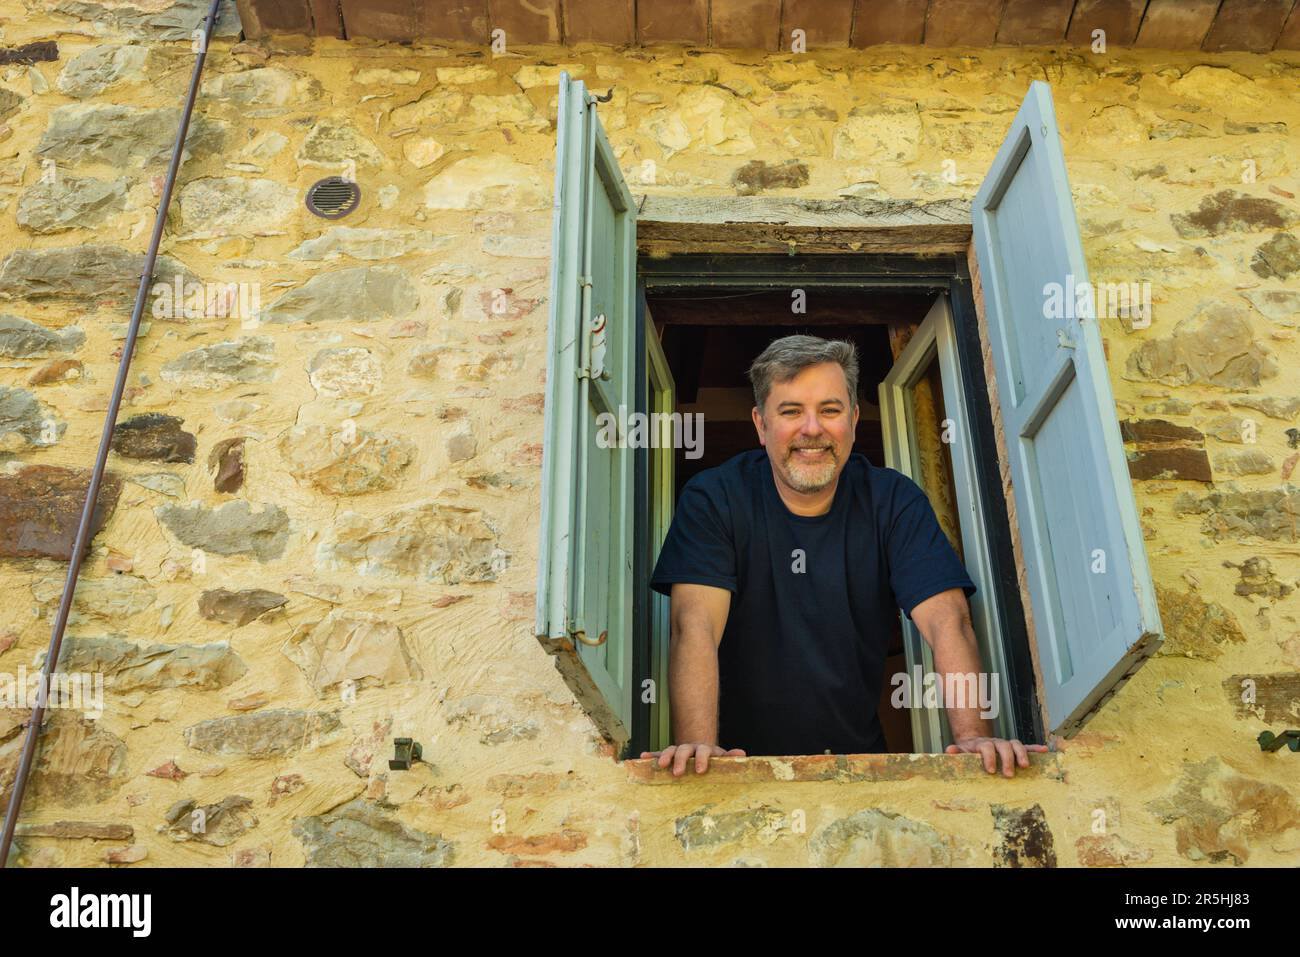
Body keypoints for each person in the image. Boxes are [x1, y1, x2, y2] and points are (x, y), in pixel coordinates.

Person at [643, 334, 1048, 777]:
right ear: (761, 425)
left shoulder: (892, 500)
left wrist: (973, 737)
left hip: (857, 761)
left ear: (854, 419)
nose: (812, 429)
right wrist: (700, 748)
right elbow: (694, 626)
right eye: (791, 411)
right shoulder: (714, 498)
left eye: (830, 410)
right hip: (740, 764)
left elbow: (946, 619)